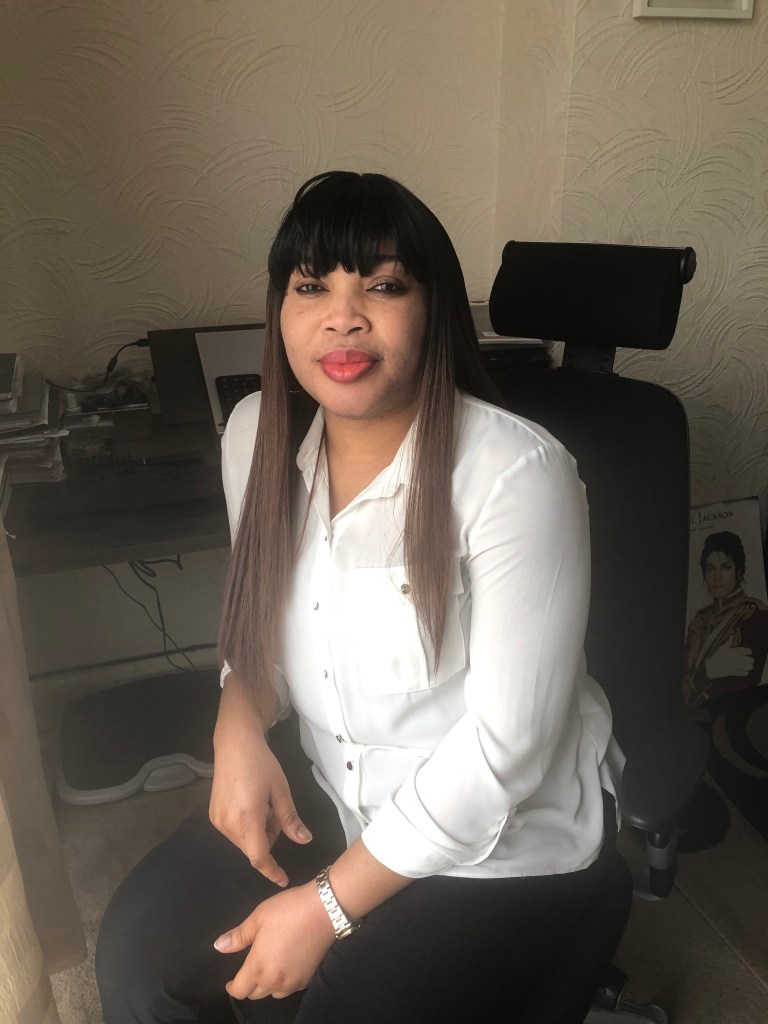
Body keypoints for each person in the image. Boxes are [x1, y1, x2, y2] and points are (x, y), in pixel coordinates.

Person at [96, 171, 621, 1024]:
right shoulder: (255, 435)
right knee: (137, 959)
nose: (343, 318)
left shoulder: (517, 474)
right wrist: (237, 723)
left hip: (499, 844)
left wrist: (326, 907)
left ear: (433, 309)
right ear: (280, 310)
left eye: (382, 285)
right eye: (312, 287)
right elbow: (261, 626)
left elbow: (505, 752)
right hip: (335, 794)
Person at [683, 530, 768, 711]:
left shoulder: (755, 615)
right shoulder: (699, 618)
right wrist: (709, 670)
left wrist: (703, 674)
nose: (717, 577)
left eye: (725, 567)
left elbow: (742, 685)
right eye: (710, 568)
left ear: (739, 570)